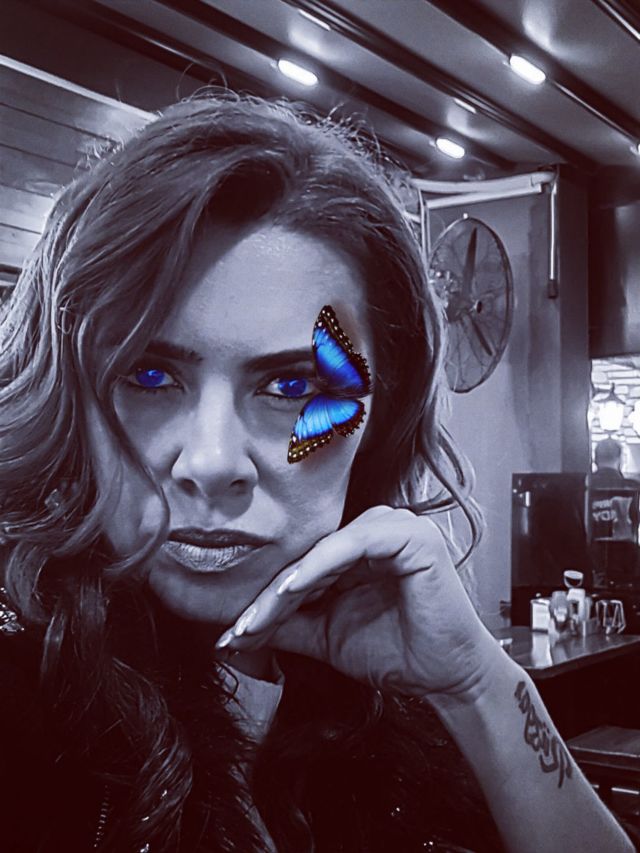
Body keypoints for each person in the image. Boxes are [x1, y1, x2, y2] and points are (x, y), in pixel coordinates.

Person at [0, 92, 635, 853]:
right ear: (68, 393)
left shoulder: (385, 692)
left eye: (292, 386)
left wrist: (479, 687)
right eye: (148, 375)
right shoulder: (24, 694)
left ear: (380, 413)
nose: (212, 463)